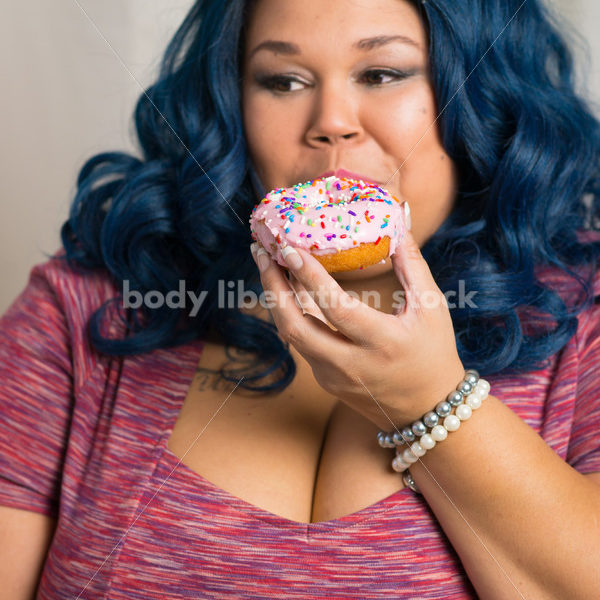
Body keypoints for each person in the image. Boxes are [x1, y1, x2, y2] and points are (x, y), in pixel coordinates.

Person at [1, 0, 600, 598]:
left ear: (481, 95)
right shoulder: (83, 309)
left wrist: (431, 401)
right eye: (283, 80)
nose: (331, 122)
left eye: (381, 73)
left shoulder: (585, 312)